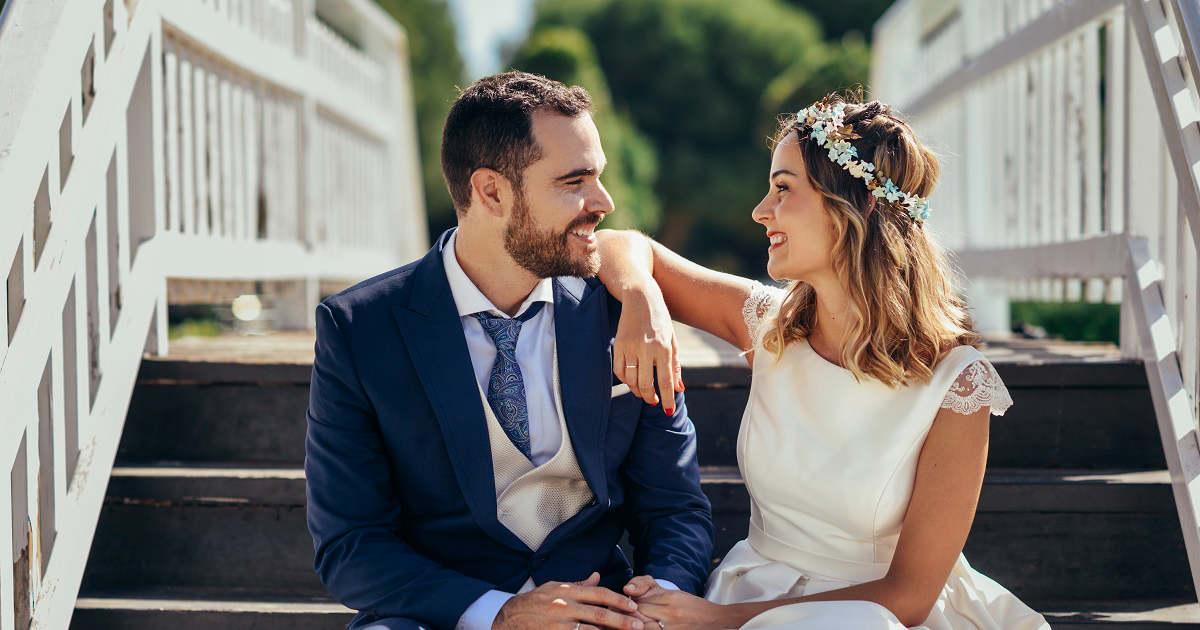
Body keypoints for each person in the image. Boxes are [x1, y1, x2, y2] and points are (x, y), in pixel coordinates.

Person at [598, 94, 1051, 629]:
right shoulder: (768, 325)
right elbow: (617, 244)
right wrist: (644, 301)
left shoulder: (958, 385)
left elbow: (908, 597)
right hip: (752, 587)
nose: (760, 210)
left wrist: (722, 621)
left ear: (857, 206)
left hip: (873, 615)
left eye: (784, 188)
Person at [305, 71, 715, 630]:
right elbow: (351, 544)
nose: (604, 201)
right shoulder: (359, 329)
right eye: (575, 180)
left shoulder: (624, 314)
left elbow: (673, 506)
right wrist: (498, 614)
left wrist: (658, 598)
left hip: (604, 609)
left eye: (599, 176)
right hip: (442, 617)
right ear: (491, 191)